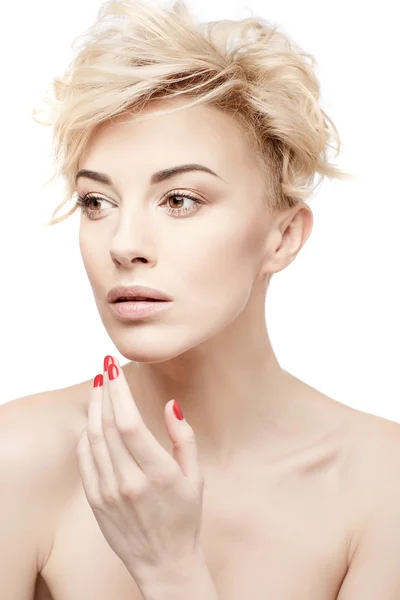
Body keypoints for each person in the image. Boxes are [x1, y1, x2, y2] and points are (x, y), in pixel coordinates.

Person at [1, 0, 400, 599]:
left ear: (282, 237)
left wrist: (171, 571)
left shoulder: (380, 486)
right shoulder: (19, 458)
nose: (125, 244)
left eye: (180, 200)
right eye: (96, 202)